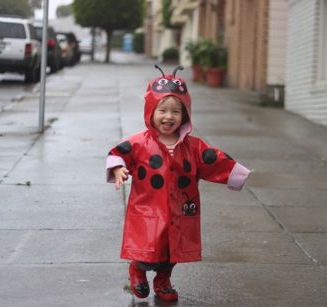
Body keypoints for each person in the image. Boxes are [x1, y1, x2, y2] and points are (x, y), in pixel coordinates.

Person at [106, 65, 250, 301]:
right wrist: (118, 168)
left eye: (176, 111)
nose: (168, 116)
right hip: (148, 209)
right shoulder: (139, 143)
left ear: (185, 115)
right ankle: (138, 271)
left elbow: (213, 160)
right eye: (162, 110)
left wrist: (238, 174)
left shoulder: (193, 147)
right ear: (151, 111)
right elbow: (119, 153)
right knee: (147, 248)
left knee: (172, 251)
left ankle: (163, 280)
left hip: (180, 210)